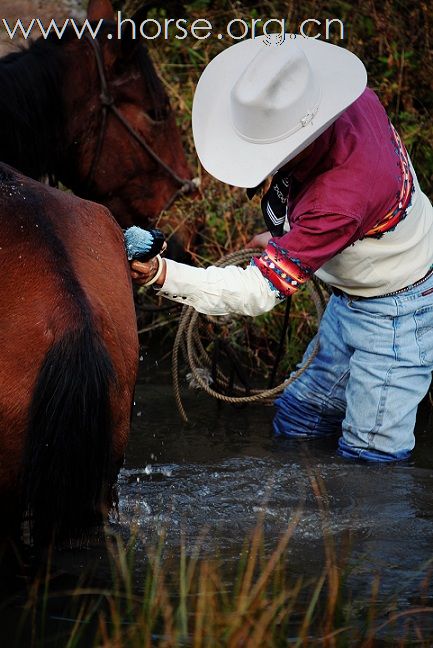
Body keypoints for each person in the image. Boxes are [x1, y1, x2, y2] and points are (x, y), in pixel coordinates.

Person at [130, 34, 433, 463]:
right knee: (297, 420)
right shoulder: (352, 99)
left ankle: (345, 527)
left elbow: (256, 293)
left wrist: (163, 274)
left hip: (399, 317)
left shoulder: (339, 198)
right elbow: (341, 213)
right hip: (355, 298)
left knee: (371, 464)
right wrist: (286, 239)